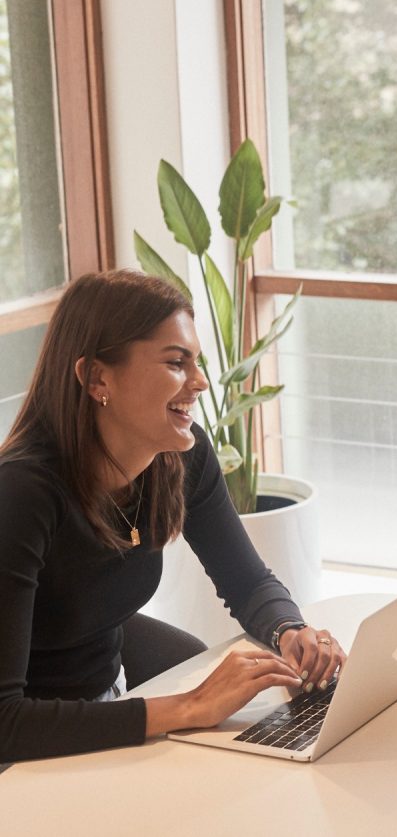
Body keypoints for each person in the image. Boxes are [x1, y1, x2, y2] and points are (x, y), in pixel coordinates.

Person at [0, 270, 347, 763]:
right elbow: (5, 723)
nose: (201, 383)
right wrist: (189, 706)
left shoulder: (179, 456)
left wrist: (291, 632)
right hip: (29, 745)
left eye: (196, 362)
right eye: (176, 363)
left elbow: (246, 581)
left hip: (107, 695)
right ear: (98, 378)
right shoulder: (20, 494)